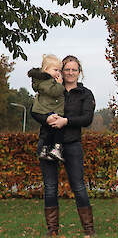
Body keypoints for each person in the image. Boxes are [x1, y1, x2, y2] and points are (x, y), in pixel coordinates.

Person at [31, 55, 96, 236]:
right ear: (61, 70)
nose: (70, 73)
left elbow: (87, 118)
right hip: (48, 142)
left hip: (72, 145)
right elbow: (34, 110)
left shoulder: (85, 94)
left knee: (78, 186)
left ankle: (89, 230)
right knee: (50, 186)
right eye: (66, 69)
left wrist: (66, 121)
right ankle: (52, 230)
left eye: (74, 69)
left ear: (79, 72)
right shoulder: (49, 88)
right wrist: (47, 119)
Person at [28, 54, 65, 162]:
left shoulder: (43, 82)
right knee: (56, 128)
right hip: (47, 109)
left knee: (49, 130)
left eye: (59, 70)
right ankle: (55, 148)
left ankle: (45, 149)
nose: (58, 73)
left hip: (46, 109)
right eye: (55, 70)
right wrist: (59, 84)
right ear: (46, 70)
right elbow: (55, 92)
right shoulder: (47, 82)